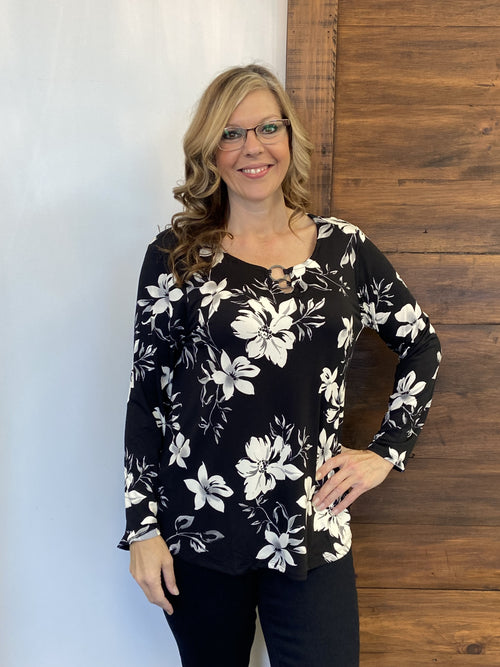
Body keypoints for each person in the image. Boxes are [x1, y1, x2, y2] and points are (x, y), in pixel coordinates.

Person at [119, 64, 441, 667]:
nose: (252, 148)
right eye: (231, 133)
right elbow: (148, 397)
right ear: (210, 152)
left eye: (268, 127)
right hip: (200, 531)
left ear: (290, 139)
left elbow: (422, 344)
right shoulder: (177, 256)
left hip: (311, 529)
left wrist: (386, 452)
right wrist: (142, 527)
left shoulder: (344, 250)